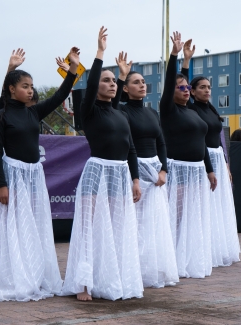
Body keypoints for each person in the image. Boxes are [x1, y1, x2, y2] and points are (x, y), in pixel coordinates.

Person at [0, 47, 80, 301]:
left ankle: (34, 273)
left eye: (32, 86)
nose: (31, 90)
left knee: (32, 227)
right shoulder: (1, 116)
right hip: (12, 177)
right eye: (25, 86)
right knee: (13, 228)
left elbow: (59, 96)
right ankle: (12, 277)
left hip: (33, 176)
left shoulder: (34, 112)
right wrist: (2, 184)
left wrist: (72, 69)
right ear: (12, 89)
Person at [62, 27, 143, 301]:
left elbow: (131, 149)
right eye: (105, 81)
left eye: (114, 82)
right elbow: (95, 78)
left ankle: (112, 277)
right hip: (97, 172)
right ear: (95, 86)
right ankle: (84, 284)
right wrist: (100, 53)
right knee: (89, 228)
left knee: (117, 229)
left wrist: (135, 179)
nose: (110, 84)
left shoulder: (120, 114)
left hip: (120, 175)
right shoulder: (90, 111)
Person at [160, 31, 217, 279]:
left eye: (187, 87)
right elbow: (174, 78)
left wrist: (210, 169)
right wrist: (176, 56)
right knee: (176, 217)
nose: (185, 90)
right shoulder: (168, 109)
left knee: (192, 218)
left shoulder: (193, 111)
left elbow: (201, 143)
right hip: (178, 170)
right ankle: (170, 260)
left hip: (196, 171)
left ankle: (187, 258)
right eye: (180, 87)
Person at [117, 70, 179, 287]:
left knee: (153, 222)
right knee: (133, 222)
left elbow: (161, 142)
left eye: (143, 82)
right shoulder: (122, 111)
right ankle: (132, 270)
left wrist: (163, 170)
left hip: (155, 173)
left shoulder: (152, 113)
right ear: (125, 88)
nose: (142, 85)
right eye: (136, 82)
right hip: (134, 171)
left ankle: (150, 269)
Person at [181, 40, 240, 267]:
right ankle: (204, 250)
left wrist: (225, 164)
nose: (206, 90)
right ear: (192, 91)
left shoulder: (212, 110)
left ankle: (219, 248)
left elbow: (218, 140)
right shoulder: (190, 109)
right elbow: (181, 83)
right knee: (205, 206)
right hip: (202, 161)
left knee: (221, 207)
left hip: (218, 159)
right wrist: (186, 60)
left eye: (209, 87)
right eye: (201, 87)